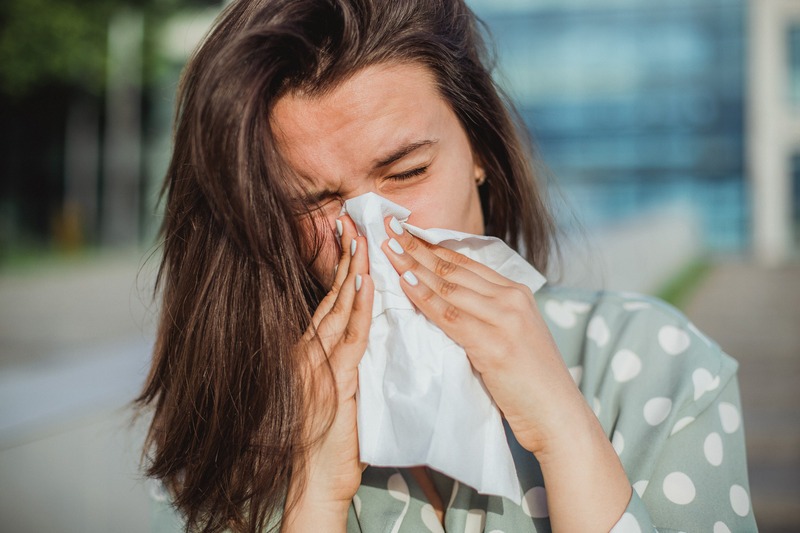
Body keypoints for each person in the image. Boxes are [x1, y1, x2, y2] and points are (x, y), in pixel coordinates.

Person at [137, 0, 757, 531]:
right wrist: (310, 497)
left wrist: (565, 431)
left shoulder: (654, 365)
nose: (373, 239)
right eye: (315, 204)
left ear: (481, 150)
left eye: (407, 173)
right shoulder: (238, 434)